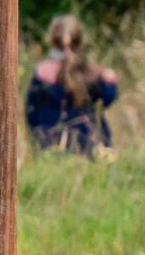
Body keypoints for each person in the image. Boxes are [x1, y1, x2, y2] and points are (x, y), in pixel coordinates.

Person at [26, 14, 119, 154]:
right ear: (80, 42)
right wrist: (110, 81)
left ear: (52, 41)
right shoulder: (92, 73)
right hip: (91, 147)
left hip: (51, 149)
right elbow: (108, 98)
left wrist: (36, 142)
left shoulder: (41, 73)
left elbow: (31, 114)